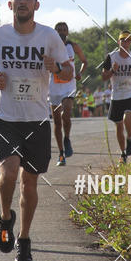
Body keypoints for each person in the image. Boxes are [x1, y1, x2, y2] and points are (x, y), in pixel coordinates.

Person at [0, 0, 72, 261]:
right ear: (10, 5)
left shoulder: (50, 36)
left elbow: (68, 72)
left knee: (29, 184)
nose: (23, 1)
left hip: (37, 119)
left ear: (36, 6)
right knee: (9, 171)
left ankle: (25, 238)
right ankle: (6, 218)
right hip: (5, 116)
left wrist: (56, 68)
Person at [102, 30, 131, 165]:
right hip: (116, 95)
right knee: (119, 126)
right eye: (122, 40)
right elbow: (104, 77)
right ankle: (123, 153)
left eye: (128, 40)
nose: (125, 42)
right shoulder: (111, 57)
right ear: (118, 41)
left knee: (127, 117)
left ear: (130, 42)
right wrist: (113, 71)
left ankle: (130, 137)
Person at [48, 22, 87, 166]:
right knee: (57, 122)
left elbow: (84, 61)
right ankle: (61, 153)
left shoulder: (73, 46)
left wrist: (80, 73)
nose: (62, 32)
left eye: (64, 29)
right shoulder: (49, 46)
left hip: (69, 86)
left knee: (67, 111)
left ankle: (67, 138)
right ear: (55, 32)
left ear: (68, 32)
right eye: (59, 30)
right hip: (53, 88)